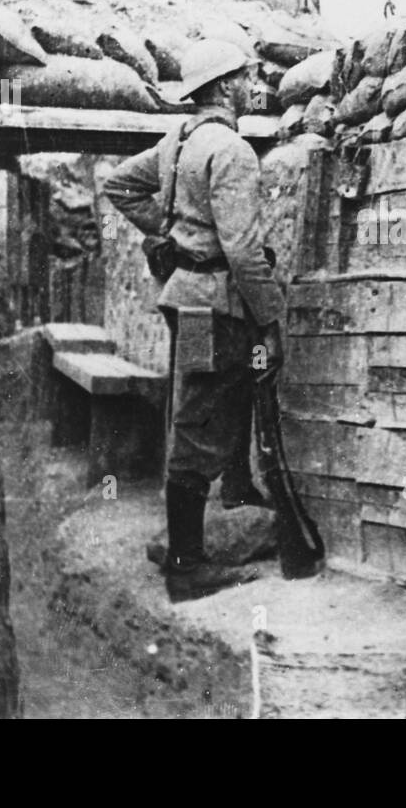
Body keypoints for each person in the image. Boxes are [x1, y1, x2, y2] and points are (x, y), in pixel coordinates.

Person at [103, 39, 285, 602]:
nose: (253, 86)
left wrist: (168, 232)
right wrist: (271, 320)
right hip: (215, 303)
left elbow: (120, 184)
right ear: (225, 86)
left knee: (206, 410)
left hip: (187, 297)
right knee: (199, 420)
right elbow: (244, 249)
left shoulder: (178, 140)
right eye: (247, 78)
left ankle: (219, 520)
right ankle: (187, 567)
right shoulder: (230, 150)